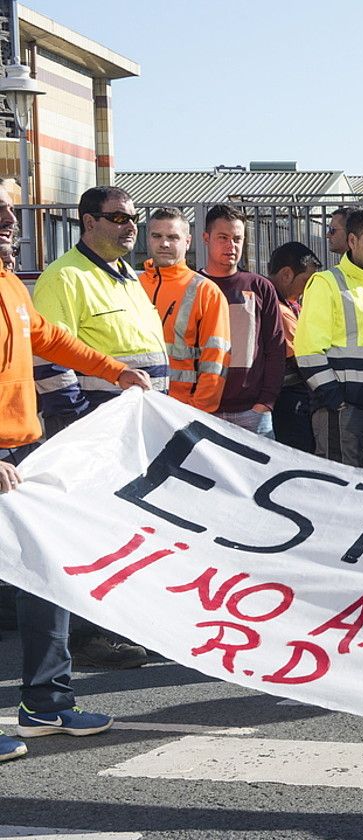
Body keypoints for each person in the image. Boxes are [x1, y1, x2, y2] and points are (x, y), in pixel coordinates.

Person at [1, 183, 152, 761]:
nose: (10, 220)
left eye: (12, 210)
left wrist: (117, 371)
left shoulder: (12, 283)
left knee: (47, 578)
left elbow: (49, 338)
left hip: (23, 456)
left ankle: (45, 702)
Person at [31, 185, 166, 671]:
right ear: (88, 222)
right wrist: (76, 419)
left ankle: (123, 622)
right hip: (95, 427)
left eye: (134, 217)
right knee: (93, 530)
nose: (130, 226)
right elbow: (50, 355)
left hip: (136, 428)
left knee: (129, 528)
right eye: (118, 218)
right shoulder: (65, 277)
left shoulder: (128, 277)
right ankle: (89, 634)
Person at [296, 209, 363, 472]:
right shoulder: (326, 283)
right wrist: (333, 398)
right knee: (340, 490)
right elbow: (308, 349)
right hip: (343, 411)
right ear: (352, 241)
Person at [201, 205, 285, 438]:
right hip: (202, 411)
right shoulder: (193, 286)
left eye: (237, 238)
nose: (231, 246)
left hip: (253, 413)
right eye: (223, 238)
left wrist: (266, 402)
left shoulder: (260, 287)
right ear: (206, 238)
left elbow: (276, 347)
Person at [139, 208, 230, 413]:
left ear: (187, 242)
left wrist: (197, 412)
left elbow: (215, 361)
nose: (164, 243)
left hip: (181, 411)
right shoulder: (131, 285)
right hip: (134, 404)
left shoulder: (206, 292)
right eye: (157, 236)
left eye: (173, 237)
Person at [266, 242, 323, 452]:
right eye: (306, 282)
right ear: (287, 274)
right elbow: (302, 356)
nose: (308, 289)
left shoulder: (281, 302)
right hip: (288, 399)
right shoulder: (280, 310)